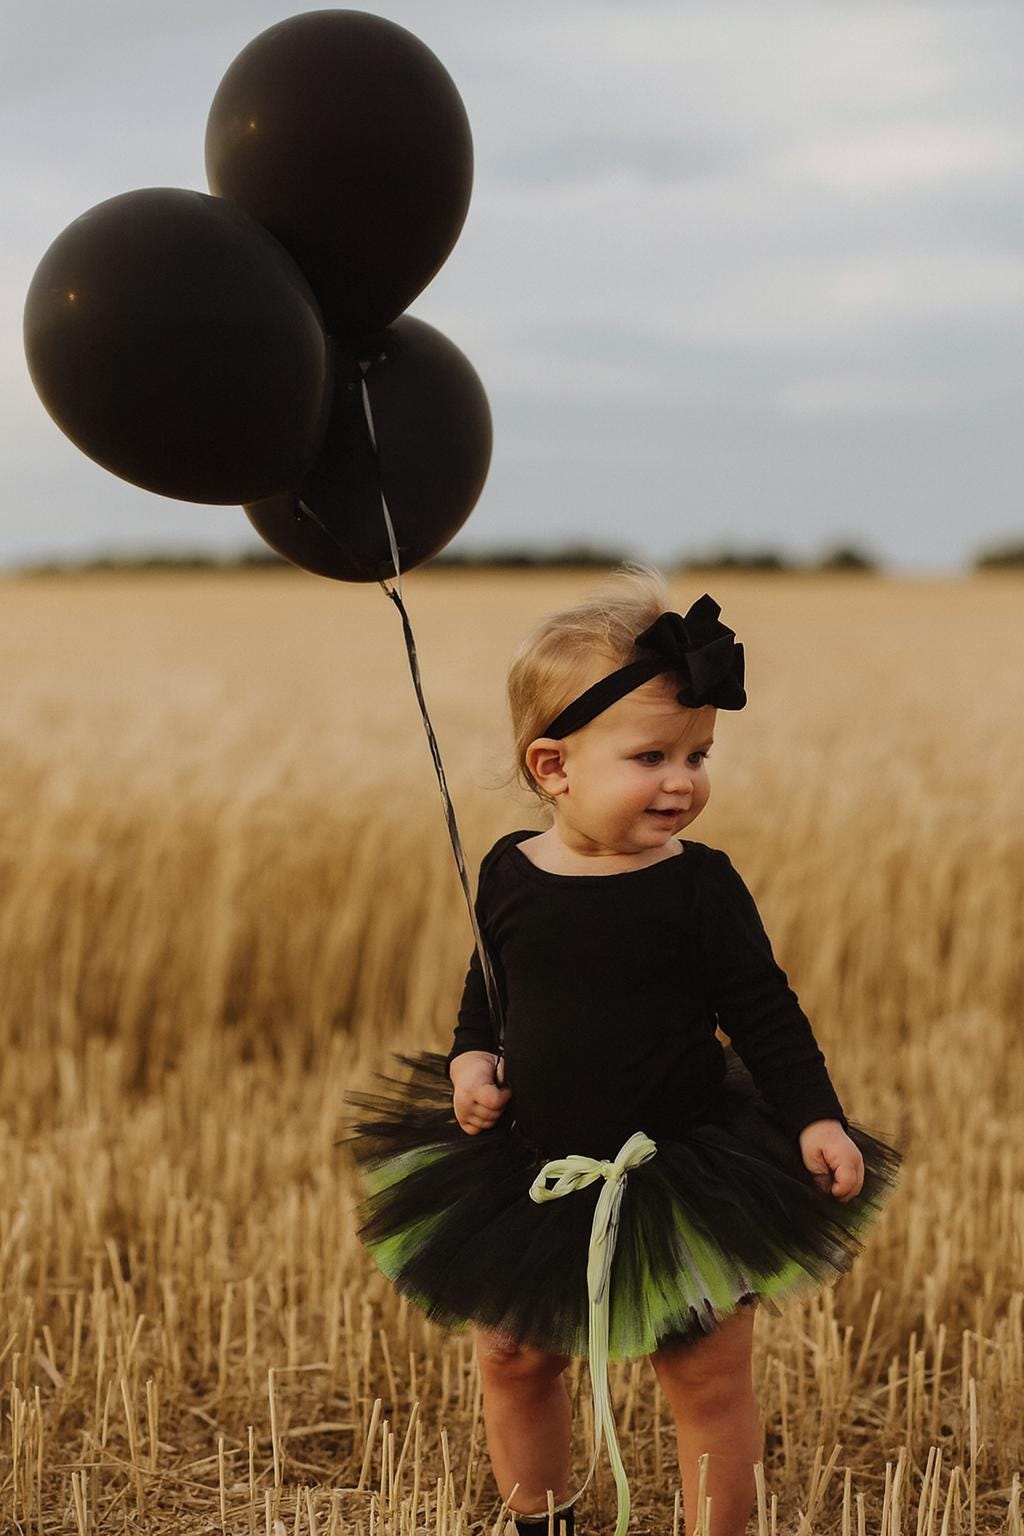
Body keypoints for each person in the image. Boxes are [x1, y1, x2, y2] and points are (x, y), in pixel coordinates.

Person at [343, 562, 904, 1536]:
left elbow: (764, 1011)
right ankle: (543, 1521)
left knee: (705, 1380)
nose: (683, 783)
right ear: (552, 766)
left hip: (679, 1166)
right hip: (532, 1163)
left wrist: (814, 1114)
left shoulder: (700, 885)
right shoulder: (510, 871)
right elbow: (491, 986)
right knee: (513, 1357)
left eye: (700, 756)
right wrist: (472, 1059)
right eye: (652, 758)